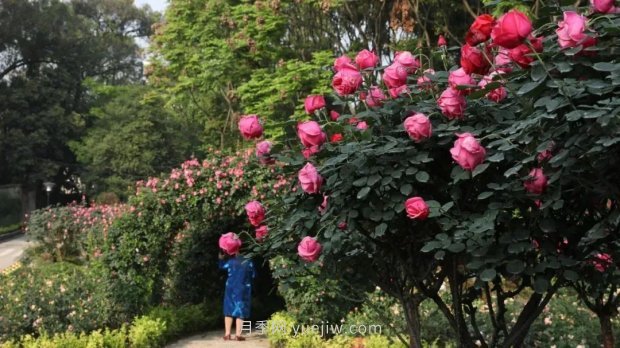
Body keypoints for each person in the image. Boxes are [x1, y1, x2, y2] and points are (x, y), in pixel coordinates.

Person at [219, 250, 256, 341]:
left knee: (228, 309)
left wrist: (220, 259)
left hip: (230, 288)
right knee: (241, 310)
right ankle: (238, 334)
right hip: (243, 288)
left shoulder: (230, 261)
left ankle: (227, 334)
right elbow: (254, 275)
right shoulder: (248, 261)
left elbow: (222, 267)